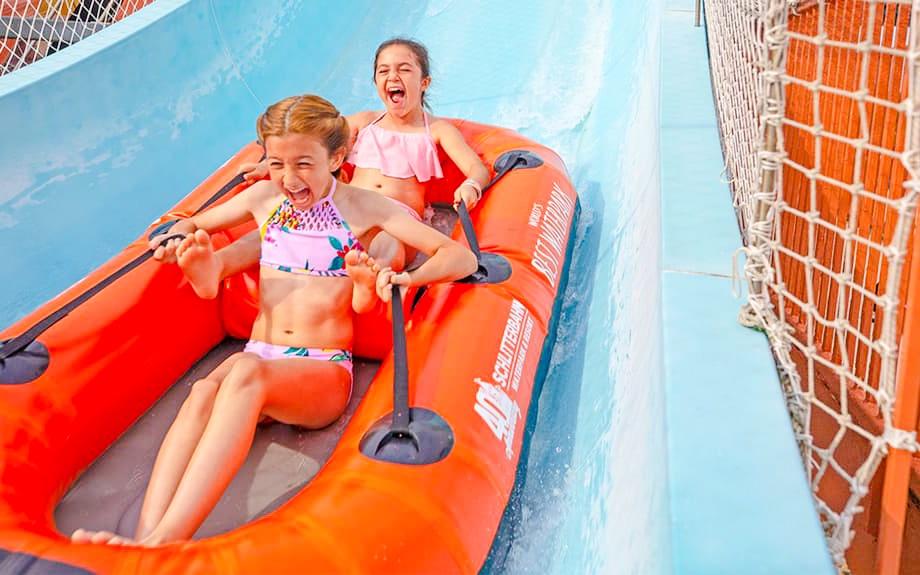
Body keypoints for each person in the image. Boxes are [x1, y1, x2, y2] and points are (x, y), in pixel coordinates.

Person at [70, 94, 477, 547]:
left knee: (243, 373)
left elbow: (458, 258)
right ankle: (146, 535)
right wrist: (187, 249)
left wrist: (403, 278)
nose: (289, 178)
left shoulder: (364, 208)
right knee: (204, 390)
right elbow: (191, 227)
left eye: (304, 164)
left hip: (320, 369)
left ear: (337, 157)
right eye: (277, 163)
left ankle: (163, 543)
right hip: (262, 352)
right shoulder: (265, 198)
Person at [153, 37, 490, 292]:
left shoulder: (436, 130)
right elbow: (313, 140)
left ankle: (372, 282)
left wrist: (471, 184)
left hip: (394, 218)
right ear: (376, 83)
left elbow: (476, 168)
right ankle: (217, 266)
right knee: (273, 230)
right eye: (383, 70)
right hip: (348, 210)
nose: (393, 76)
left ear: (424, 83)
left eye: (404, 70)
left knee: (387, 244)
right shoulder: (363, 122)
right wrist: (266, 167)